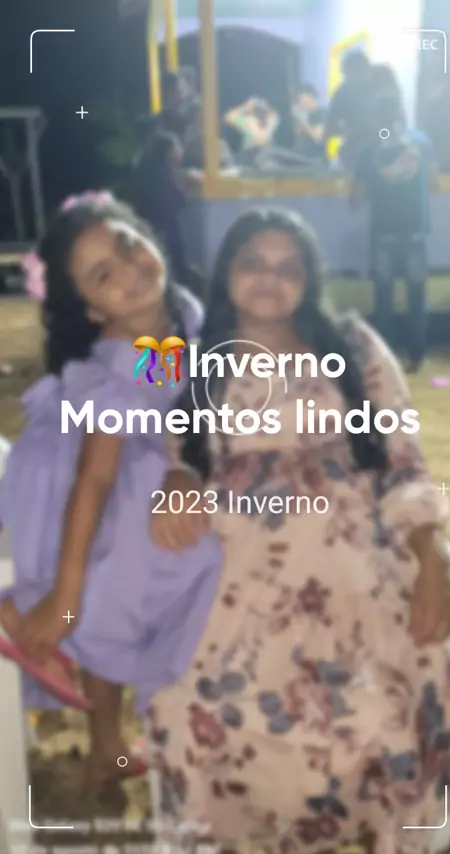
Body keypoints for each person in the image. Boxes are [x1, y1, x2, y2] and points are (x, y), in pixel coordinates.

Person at [147, 208, 450, 854]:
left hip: (354, 557)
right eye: (252, 263)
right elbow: (151, 433)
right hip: (238, 564)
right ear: (224, 273)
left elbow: (402, 457)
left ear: (311, 279)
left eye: (289, 268)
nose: (270, 279)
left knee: (384, 708)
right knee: (196, 705)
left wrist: (430, 555)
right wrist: (178, 472)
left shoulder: (354, 344)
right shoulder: (181, 352)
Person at [0, 193, 221, 788]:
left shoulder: (184, 315)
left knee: (141, 552)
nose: (129, 269)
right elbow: (95, 478)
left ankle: (105, 741)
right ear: (93, 310)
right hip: (80, 472)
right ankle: (31, 617)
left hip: (136, 459)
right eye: (104, 275)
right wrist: (67, 594)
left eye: (128, 244)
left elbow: (184, 398)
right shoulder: (120, 364)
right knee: (125, 570)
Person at [350, 93, 436, 372]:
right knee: (417, 296)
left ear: (375, 117)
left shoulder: (370, 149)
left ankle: (386, 358)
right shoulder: (421, 142)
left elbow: (356, 199)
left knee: (384, 298)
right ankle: (417, 357)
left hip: (384, 233)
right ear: (401, 112)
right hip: (415, 232)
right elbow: (434, 183)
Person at [132, 128, 189, 283]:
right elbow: (177, 201)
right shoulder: (163, 173)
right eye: (177, 146)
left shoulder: (145, 168)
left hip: (148, 223)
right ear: (168, 151)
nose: (181, 150)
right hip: (165, 226)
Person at [323, 49, 372, 171]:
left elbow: (330, 128)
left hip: (362, 152)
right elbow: (330, 128)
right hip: (354, 152)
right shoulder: (342, 93)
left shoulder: (343, 92)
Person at [224, 97, 279, 167]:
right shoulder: (271, 122)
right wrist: (265, 105)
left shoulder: (248, 122)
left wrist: (245, 107)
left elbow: (229, 116)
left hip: (250, 158)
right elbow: (274, 114)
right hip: (266, 157)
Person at [292, 84, 326, 159]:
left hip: (315, 159)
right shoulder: (303, 114)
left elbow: (317, 137)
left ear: (311, 96)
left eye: (301, 99)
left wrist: (301, 119)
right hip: (298, 157)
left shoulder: (321, 113)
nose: (299, 103)